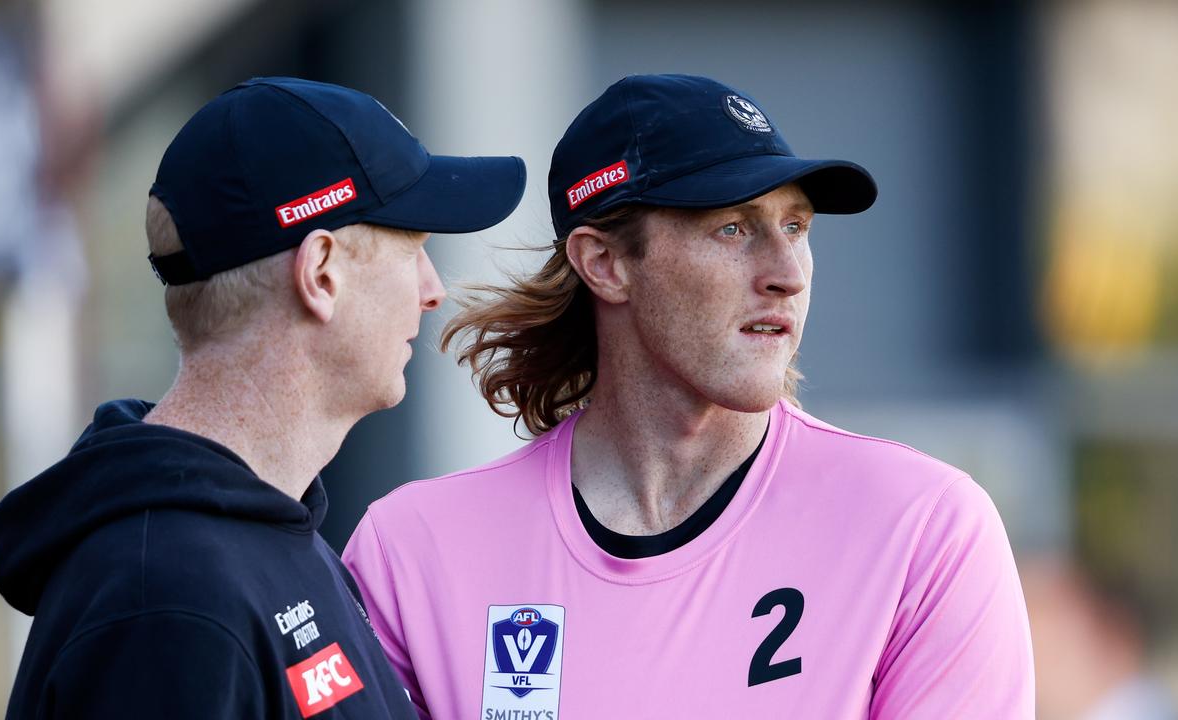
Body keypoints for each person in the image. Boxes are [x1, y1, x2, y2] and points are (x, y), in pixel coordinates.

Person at [343, 74, 1035, 718]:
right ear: (606, 263)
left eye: (797, 227)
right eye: (733, 227)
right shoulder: (412, 550)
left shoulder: (924, 530)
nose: (787, 273)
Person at [0, 77, 526, 719]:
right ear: (321, 273)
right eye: (413, 246)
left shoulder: (265, 534)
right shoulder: (167, 600)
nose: (433, 290)